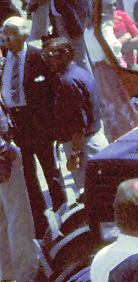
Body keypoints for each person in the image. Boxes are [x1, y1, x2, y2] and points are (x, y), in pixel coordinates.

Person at [1, 15, 67, 236]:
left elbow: (56, 91)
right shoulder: (5, 59)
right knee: (28, 175)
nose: (5, 39)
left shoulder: (38, 56)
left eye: (9, 33)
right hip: (18, 125)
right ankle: (41, 224)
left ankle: (64, 216)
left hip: (40, 124)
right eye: (3, 34)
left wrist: (56, 124)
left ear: (24, 34)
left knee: (51, 171)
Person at [44, 37, 108, 196]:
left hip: (86, 148)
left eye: (50, 55)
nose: (47, 61)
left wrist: (74, 154)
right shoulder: (79, 72)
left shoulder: (68, 82)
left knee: (93, 195)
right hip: (94, 142)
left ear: (65, 54)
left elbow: (78, 124)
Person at [0, 103, 37, 282]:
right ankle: (26, 272)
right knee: (17, 216)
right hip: (4, 161)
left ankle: (7, 271)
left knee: (2, 218)